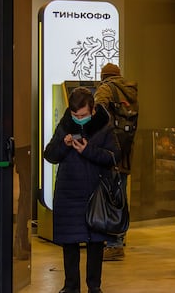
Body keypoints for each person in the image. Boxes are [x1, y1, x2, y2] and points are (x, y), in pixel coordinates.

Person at [44, 87, 121, 293]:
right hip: (68, 193)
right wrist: (64, 143)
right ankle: (71, 287)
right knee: (69, 242)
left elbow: (114, 156)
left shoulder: (105, 127)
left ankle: (94, 287)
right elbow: (50, 155)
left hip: (96, 194)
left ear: (93, 110)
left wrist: (88, 150)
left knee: (95, 243)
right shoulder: (65, 125)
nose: (79, 119)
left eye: (83, 115)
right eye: (75, 115)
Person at [94, 63, 139, 261]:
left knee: (109, 195)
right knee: (119, 194)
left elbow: (97, 116)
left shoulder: (105, 89)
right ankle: (119, 236)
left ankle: (114, 244)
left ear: (104, 76)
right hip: (125, 151)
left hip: (108, 151)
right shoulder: (130, 91)